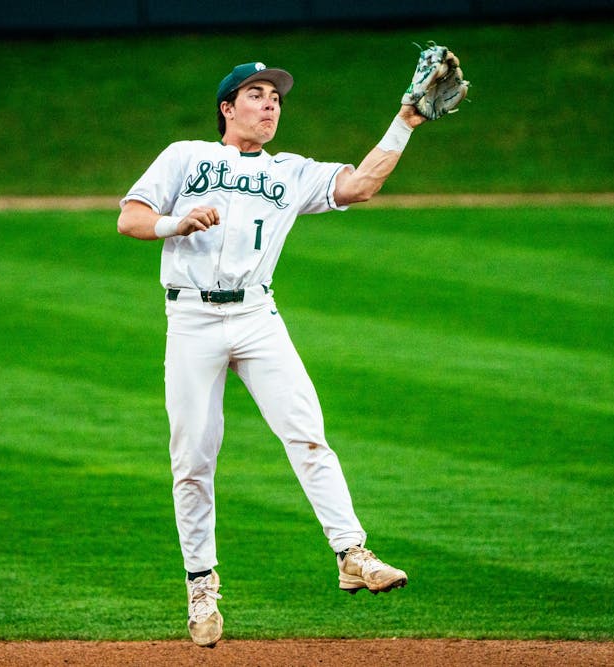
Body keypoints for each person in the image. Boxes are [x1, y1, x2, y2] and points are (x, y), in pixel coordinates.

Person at [118, 60, 434, 648]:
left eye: (276, 98)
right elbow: (129, 218)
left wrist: (406, 120)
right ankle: (201, 585)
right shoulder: (185, 157)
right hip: (191, 318)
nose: (269, 105)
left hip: (258, 316)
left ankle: (351, 553)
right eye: (255, 95)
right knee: (192, 457)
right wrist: (175, 223)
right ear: (226, 108)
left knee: (307, 432)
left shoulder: (291, 172)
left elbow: (361, 184)